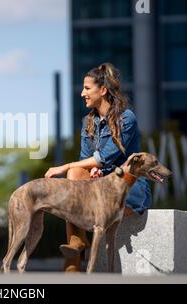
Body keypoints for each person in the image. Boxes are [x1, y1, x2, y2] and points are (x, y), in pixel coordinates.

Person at [44, 63, 151, 272]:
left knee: (71, 169)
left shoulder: (125, 118)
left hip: (128, 188)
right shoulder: (88, 122)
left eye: (87, 88)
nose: (82, 93)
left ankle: (74, 262)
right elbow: (87, 159)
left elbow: (104, 157)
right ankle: (76, 244)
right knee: (75, 173)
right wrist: (93, 171)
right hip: (101, 186)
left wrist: (64, 166)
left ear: (103, 90)